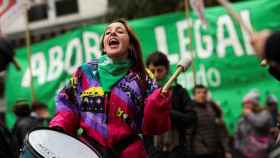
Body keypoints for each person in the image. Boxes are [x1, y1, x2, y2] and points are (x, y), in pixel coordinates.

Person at [49, 19, 172, 158]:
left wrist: (158, 105)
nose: (112, 33)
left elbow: (155, 127)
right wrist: (60, 125)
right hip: (88, 151)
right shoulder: (85, 72)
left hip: (129, 153)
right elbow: (67, 104)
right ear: (104, 44)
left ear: (130, 43)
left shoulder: (142, 77)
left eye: (120, 31)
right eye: (107, 32)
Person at [145, 51, 196, 158]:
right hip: (154, 153)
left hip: (177, 151)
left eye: (159, 70)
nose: (156, 75)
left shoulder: (179, 92)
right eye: (152, 71)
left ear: (167, 70)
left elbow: (192, 119)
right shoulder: (144, 93)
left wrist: (167, 112)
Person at [190, 85, 231, 158]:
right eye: (198, 92)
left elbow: (221, 130)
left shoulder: (212, 107)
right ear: (194, 95)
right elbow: (188, 133)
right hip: (200, 152)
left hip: (216, 150)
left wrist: (226, 150)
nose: (202, 95)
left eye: (204, 92)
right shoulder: (190, 110)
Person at [234, 90, 274, 158]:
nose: (245, 105)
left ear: (254, 103)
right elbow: (237, 135)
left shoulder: (264, 114)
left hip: (263, 153)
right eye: (244, 103)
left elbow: (260, 124)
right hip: (246, 154)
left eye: (247, 103)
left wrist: (249, 114)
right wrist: (240, 148)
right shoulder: (242, 119)